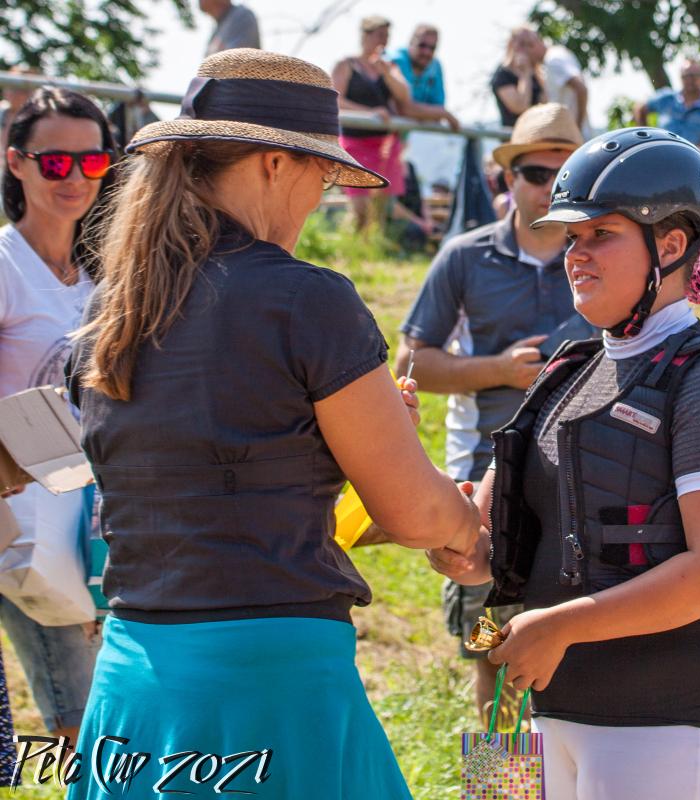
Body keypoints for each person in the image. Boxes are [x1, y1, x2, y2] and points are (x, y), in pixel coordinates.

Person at [63, 49, 479, 798]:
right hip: (269, 681)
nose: (322, 196)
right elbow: (415, 513)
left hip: (137, 676)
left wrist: (344, 450)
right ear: (276, 163)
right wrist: (468, 524)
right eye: (323, 172)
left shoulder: (111, 309)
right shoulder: (307, 300)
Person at [429, 127, 700, 800]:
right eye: (572, 237)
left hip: (675, 722)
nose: (577, 254)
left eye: (601, 234)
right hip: (543, 706)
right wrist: (453, 541)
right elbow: (489, 553)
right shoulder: (564, 374)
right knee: (491, 769)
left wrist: (561, 625)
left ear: (672, 246)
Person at [396, 103, 584, 723]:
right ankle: (498, 777)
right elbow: (411, 365)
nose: (549, 187)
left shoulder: (602, 255)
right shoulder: (464, 257)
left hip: (588, 482)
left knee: (582, 653)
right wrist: (498, 370)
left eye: (564, 174)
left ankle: (560, 774)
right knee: (494, 658)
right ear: (508, 177)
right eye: (536, 173)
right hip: (486, 491)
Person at [1, 86, 116, 747]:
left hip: (95, 521)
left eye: (92, 161)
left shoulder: (105, 276)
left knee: (101, 711)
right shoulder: (6, 268)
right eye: (54, 162)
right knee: (82, 719)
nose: (74, 177)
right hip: (24, 521)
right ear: (16, 163)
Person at [333, 16, 458, 230]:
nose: (383, 41)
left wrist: (387, 74)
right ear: (365, 35)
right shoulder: (346, 64)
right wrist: (370, 113)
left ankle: (376, 247)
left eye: (387, 36)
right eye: (379, 35)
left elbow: (404, 95)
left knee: (382, 212)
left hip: (386, 146)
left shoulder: (389, 66)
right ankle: (352, 244)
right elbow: (336, 100)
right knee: (360, 209)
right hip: (355, 143)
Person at [634, 58, 700, 149]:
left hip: (695, 156)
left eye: (694, 76)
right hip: (662, 154)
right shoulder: (666, 98)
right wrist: (647, 139)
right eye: (686, 76)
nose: (690, 80)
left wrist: (690, 151)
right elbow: (640, 108)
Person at [492, 26, 547, 127]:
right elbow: (520, 107)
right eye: (522, 43)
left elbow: (546, 104)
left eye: (531, 44)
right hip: (515, 133)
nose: (526, 49)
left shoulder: (536, 73)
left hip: (538, 131)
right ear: (512, 45)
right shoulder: (503, 75)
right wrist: (525, 74)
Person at [391, 24, 450, 110]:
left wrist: (441, 113)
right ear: (411, 43)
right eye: (422, 45)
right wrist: (446, 114)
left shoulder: (435, 66)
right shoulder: (395, 60)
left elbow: (439, 106)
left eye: (432, 48)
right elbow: (403, 108)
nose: (426, 52)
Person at [543, 43, 592, 138]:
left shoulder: (552, 60)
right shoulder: (559, 52)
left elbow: (581, 89)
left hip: (571, 136)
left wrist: (577, 129)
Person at [0, 66, 37, 153]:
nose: (11, 92)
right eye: (9, 86)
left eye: (20, 88)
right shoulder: (2, 111)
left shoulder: (38, 118)